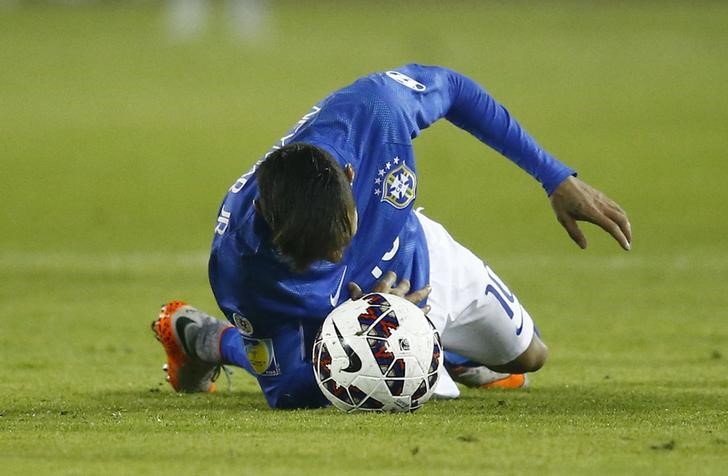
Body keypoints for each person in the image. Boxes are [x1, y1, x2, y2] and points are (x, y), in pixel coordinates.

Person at [152, 64, 631, 409]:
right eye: (319, 254)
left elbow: (456, 90)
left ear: (349, 173)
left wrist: (554, 177)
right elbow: (288, 389)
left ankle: (450, 352)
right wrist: (363, 326)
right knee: (341, 386)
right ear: (265, 219)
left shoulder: (374, 115)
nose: (338, 255)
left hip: (416, 255)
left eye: (343, 234)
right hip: (324, 323)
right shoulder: (240, 265)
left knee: (531, 358)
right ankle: (208, 339)